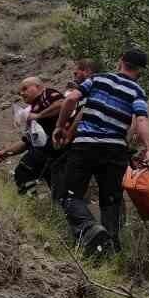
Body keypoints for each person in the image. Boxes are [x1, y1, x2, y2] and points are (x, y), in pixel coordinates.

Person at [53, 46, 149, 253]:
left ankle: (90, 228)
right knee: (111, 200)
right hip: (114, 150)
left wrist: (59, 126)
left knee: (69, 195)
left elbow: (72, 99)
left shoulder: (98, 79)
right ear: (140, 70)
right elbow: (142, 119)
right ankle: (111, 247)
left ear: (120, 60)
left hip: (85, 146)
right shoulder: (137, 91)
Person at [0, 76, 64, 193]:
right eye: (20, 92)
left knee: (23, 172)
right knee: (58, 192)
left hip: (54, 150)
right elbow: (27, 141)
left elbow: (61, 104)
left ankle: (30, 203)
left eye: (25, 89)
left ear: (38, 87)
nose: (22, 93)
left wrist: (38, 115)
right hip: (50, 153)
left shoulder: (47, 94)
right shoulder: (34, 109)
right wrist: (5, 152)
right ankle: (36, 206)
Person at [49, 57, 95, 204]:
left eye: (77, 73)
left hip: (84, 142)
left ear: (87, 71)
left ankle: (67, 209)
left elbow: (83, 113)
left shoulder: (91, 88)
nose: (74, 75)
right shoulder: (82, 91)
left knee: (65, 173)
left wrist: (67, 134)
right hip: (86, 141)